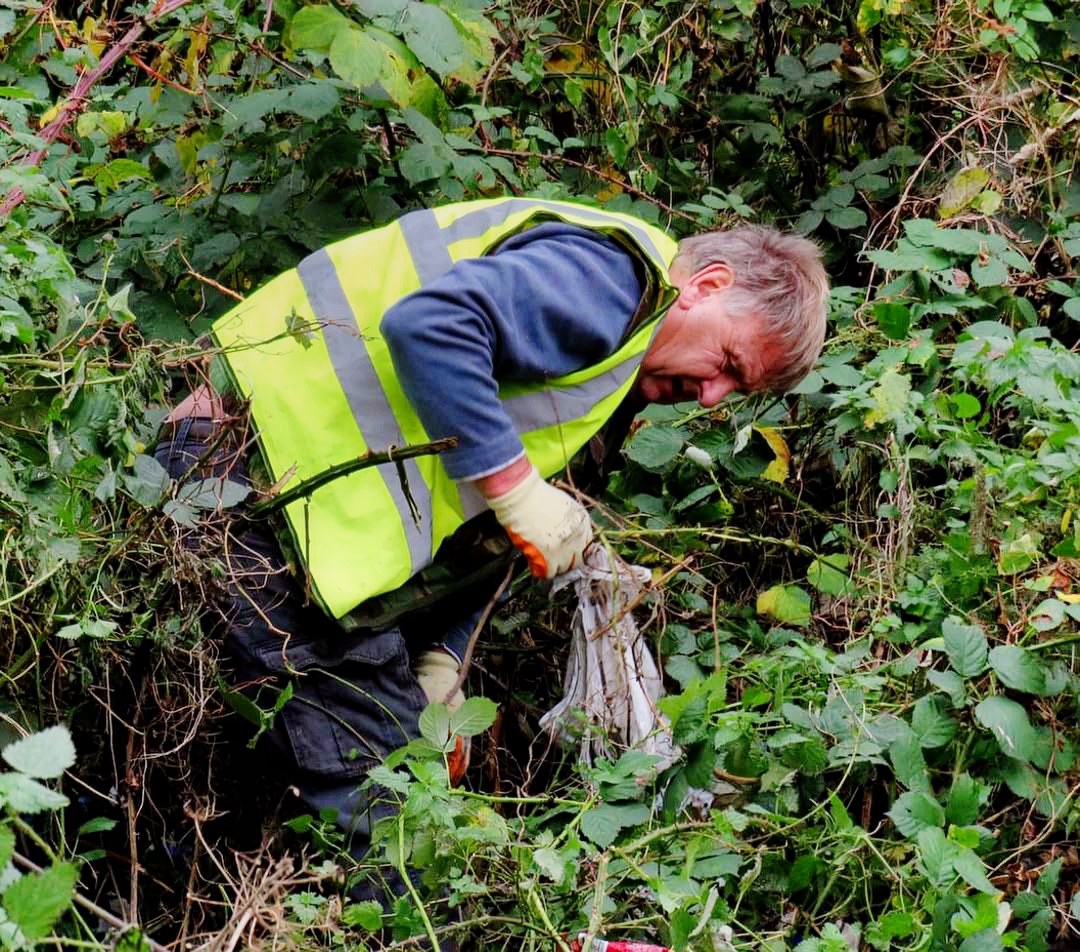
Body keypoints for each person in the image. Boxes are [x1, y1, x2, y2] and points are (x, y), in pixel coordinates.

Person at [155, 196, 828, 900]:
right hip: (242, 483)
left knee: (222, 787)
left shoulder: (619, 371)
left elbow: (489, 530)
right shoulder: (615, 280)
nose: (712, 398)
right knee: (389, 828)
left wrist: (442, 657)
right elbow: (430, 328)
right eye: (726, 361)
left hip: (274, 518)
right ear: (708, 284)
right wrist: (515, 486)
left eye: (735, 388)